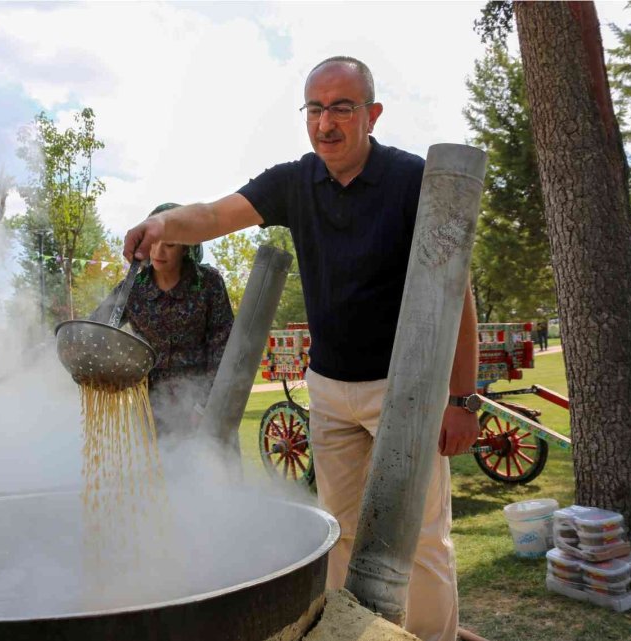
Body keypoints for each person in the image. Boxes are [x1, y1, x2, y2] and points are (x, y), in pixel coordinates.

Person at [122, 58, 479, 641]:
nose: (326, 123)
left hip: (406, 388)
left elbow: (456, 291)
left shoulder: (413, 179)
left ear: (372, 114)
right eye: (315, 108)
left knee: (421, 536)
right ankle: (359, 634)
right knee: (337, 529)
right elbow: (215, 215)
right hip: (330, 390)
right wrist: (164, 225)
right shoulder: (294, 182)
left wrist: (463, 398)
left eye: (342, 107)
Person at [94, 203, 234, 438]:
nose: (158, 252)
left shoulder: (208, 284)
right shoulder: (132, 289)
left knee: (206, 471)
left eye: (169, 245)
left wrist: (204, 404)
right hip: (151, 409)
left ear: (186, 247)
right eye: (154, 244)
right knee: (157, 472)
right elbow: (97, 328)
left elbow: (223, 348)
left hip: (202, 405)